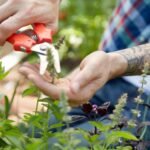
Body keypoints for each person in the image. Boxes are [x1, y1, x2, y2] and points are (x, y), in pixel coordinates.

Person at [0, 0, 150, 143]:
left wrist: (114, 63)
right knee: (27, 135)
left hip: (143, 102)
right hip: (106, 74)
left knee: (57, 145)